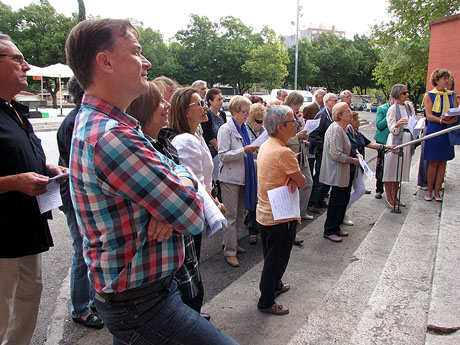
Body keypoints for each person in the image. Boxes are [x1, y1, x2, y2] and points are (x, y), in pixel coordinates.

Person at [65, 19, 238, 345]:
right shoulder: (113, 136)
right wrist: (178, 196)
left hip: (141, 294)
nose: (147, 62)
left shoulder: (113, 125)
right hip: (141, 302)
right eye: (137, 52)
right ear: (106, 62)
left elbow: (176, 171)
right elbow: (191, 215)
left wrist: (175, 189)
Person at [0, 33, 68, 345]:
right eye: (17, 58)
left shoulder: (15, 110)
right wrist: (14, 183)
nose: (26, 66)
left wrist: (48, 170)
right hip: (3, 239)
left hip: (28, 230)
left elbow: (22, 157)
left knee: (27, 305)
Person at [57, 76, 104, 329]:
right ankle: (81, 309)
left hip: (75, 195)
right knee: (82, 252)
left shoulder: (78, 118)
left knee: (88, 250)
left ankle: (90, 302)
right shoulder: (76, 121)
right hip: (74, 197)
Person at [256, 105, 306, 315]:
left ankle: (275, 286)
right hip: (280, 217)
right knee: (275, 261)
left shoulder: (268, 145)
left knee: (271, 257)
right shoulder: (284, 152)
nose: (296, 124)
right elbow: (302, 182)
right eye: (292, 121)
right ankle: (266, 301)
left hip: (265, 214)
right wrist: (293, 179)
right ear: (280, 127)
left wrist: (290, 179)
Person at [217, 96, 258, 267]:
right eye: (244, 111)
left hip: (243, 177)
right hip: (230, 178)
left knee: (240, 213)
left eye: (248, 111)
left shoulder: (244, 128)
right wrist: (244, 151)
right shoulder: (226, 129)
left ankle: (231, 243)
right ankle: (230, 251)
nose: (247, 114)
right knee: (231, 216)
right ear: (233, 111)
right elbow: (223, 156)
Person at [343, 112, 396, 226]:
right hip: (351, 165)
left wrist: (386, 147)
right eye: (355, 119)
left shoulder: (357, 133)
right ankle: (343, 212)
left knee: (360, 190)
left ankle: (344, 210)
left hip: (358, 166)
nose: (358, 121)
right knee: (351, 191)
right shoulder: (347, 132)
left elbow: (370, 144)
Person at [320, 102, 359, 243]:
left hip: (346, 170)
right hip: (337, 171)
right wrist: (352, 160)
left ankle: (336, 227)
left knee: (343, 200)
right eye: (348, 111)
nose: (351, 113)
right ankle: (329, 229)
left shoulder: (346, 127)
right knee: (336, 201)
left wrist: (356, 156)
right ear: (340, 115)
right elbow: (335, 154)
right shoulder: (335, 129)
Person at [423, 69, 458, 201]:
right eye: (444, 78)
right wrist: (442, 120)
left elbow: (455, 111)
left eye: (448, 78)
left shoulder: (452, 95)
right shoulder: (429, 95)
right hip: (435, 128)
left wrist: (453, 119)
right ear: (437, 80)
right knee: (433, 160)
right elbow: (429, 115)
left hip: (447, 129)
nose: (447, 81)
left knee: (443, 161)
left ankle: (437, 191)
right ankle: (429, 190)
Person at [383, 84, 416, 208]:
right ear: (397, 94)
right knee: (391, 169)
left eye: (407, 92)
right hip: (396, 141)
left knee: (400, 170)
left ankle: (395, 195)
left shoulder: (408, 107)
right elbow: (391, 127)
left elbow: (413, 122)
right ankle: (389, 197)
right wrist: (397, 124)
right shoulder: (392, 109)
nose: (407, 95)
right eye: (404, 93)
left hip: (407, 138)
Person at [284, 92, 314, 227]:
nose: (298, 107)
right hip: (291, 155)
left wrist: (303, 127)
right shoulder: (283, 114)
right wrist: (298, 136)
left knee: (308, 182)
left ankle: (301, 211)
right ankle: (293, 215)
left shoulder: (297, 116)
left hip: (302, 155)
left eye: (300, 105)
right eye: (296, 104)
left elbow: (304, 137)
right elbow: (282, 137)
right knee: (290, 188)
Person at [308, 93, 338, 213]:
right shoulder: (322, 115)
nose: (336, 102)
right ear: (327, 102)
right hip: (322, 152)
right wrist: (325, 146)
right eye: (334, 100)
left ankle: (320, 199)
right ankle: (313, 202)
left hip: (331, 152)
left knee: (328, 177)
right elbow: (313, 134)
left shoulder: (333, 115)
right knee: (320, 176)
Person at [245, 103, 266, 244]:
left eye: (263, 120)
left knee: (260, 199)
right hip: (252, 167)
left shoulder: (264, 130)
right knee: (254, 199)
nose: (261, 124)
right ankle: (253, 229)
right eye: (258, 121)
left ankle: (254, 224)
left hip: (263, 167)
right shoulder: (246, 130)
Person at [374, 99, 393, 199]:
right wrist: (390, 115)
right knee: (381, 165)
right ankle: (379, 189)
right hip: (383, 141)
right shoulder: (382, 109)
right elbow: (379, 125)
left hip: (394, 140)